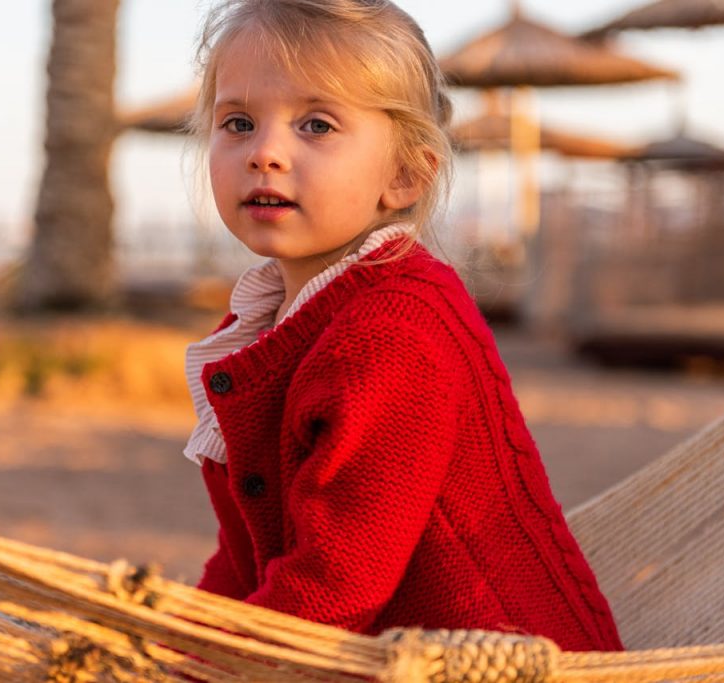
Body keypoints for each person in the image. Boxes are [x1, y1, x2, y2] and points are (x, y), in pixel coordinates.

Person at [182, 0, 623, 652]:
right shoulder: (266, 324)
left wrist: (203, 666)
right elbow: (246, 555)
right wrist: (166, 646)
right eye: (238, 123)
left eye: (316, 125)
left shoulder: (393, 331)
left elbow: (336, 584)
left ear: (405, 175)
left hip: (499, 661)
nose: (265, 153)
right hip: (371, 655)